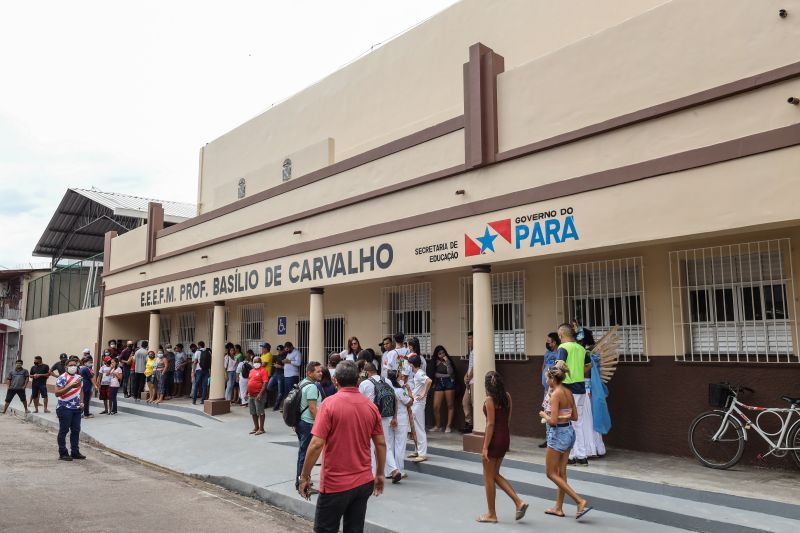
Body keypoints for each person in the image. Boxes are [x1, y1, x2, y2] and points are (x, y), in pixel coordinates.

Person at [298, 360, 386, 533]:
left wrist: (304, 476)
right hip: (363, 482)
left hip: (335, 484)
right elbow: (381, 443)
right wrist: (380, 474)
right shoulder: (371, 407)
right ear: (358, 380)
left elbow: (316, 444)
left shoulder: (329, 404)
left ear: (335, 380)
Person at [538, 362, 592, 519]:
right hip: (569, 432)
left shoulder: (555, 395)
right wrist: (562, 416)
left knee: (550, 473)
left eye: (547, 378)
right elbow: (575, 416)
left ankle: (579, 500)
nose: (546, 380)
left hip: (557, 434)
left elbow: (552, 421)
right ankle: (558, 508)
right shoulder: (568, 392)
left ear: (553, 379)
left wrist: (544, 415)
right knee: (561, 472)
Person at [478, 371, 528, 523]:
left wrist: (485, 447)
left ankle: (492, 514)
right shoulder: (507, 397)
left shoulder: (489, 400)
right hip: (504, 437)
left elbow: (490, 423)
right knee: (494, 474)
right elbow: (507, 419)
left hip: (494, 440)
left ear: (487, 386)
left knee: (488, 477)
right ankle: (518, 502)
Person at [555, 323, 592, 466]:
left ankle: (569, 456)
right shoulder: (582, 349)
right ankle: (581, 456)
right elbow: (589, 366)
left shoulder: (563, 348)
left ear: (561, 335)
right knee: (578, 422)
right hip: (581, 389)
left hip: (567, 390)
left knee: (566, 422)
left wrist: (564, 372)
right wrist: (577, 372)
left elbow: (559, 365)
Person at [295, 361, 322, 492]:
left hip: (301, 422)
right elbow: (312, 408)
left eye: (321, 371)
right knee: (306, 454)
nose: (320, 373)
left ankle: (303, 480)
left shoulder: (302, 383)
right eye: (318, 371)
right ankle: (302, 483)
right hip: (308, 424)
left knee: (304, 452)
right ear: (309, 372)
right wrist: (320, 424)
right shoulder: (311, 387)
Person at [54, 358, 86, 461]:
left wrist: (81, 402)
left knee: (76, 430)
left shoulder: (79, 377)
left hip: (76, 408)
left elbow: (81, 391)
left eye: (75, 365)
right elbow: (57, 393)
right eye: (71, 365)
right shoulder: (62, 378)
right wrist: (71, 386)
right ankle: (63, 453)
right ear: (66, 367)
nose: (73, 367)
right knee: (64, 430)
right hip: (64, 408)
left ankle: (75, 452)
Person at [407, 345, 432, 463]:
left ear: (412, 364)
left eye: (409, 364)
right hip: (415, 403)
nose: (408, 366)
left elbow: (429, 381)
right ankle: (418, 450)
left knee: (419, 428)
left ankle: (422, 453)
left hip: (418, 404)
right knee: (415, 429)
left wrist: (423, 394)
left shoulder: (419, 373)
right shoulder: (417, 374)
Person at [387, 369, 412, 483]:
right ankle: (399, 470)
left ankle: (390, 470)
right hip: (400, 419)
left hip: (389, 419)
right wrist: (409, 391)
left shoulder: (388, 389)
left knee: (390, 445)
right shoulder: (399, 390)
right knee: (400, 446)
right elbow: (409, 402)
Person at [539, 332, 561, 448]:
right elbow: (543, 366)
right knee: (546, 411)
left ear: (555, 342)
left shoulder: (559, 353)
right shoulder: (547, 353)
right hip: (546, 389)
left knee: (554, 412)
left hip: (554, 390)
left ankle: (554, 438)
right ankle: (548, 438)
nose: (547, 342)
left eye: (549, 340)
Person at [430, 345, 456, 433]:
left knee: (450, 405)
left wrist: (447, 362)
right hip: (438, 383)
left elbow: (451, 373)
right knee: (436, 406)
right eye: (439, 353)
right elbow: (434, 374)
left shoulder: (448, 361)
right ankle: (438, 426)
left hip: (449, 382)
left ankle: (448, 426)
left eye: (443, 353)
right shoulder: (435, 362)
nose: (442, 355)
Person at [247, 355, 269, 435]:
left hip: (259, 395)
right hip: (251, 395)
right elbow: (249, 382)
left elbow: (265, 383)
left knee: (260, 412)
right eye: (254, 362)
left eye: (257, 362)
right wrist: (247, 393)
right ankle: (256, 427)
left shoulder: (263, 371)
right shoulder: (251, 371)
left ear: (260, 363)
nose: (256, 363)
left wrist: (260, 394)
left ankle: (261, 428)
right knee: (253, 412)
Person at [281, 341, 302, 408]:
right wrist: (284, 361)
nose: (287, 350)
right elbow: (288, 361)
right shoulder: (289, 353)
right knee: (287, 393)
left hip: (292, 375)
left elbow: (298, 363)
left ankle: (293, 407)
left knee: (292, 393)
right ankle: (287, 407)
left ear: (291, 347)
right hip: (286, 375)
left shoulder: (297, 353)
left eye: (288, 349)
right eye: (285, 349)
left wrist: (289, 361)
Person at [462, 331, 475, 434]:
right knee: (465, 402)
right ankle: (468, 424)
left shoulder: (477, 351)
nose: (469, 341)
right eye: (468, 339)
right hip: (469, 381)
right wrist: (466, 376)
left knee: (474, 403)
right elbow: (470, 367)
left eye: (471, 338)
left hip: (474, 382)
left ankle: (475, 425)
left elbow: (475, 367)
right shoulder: (471, 352)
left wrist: (469, 377)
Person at [268, 344, 285, 410]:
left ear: (283, 350)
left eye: (280, 350)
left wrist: (280, 367)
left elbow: (287, 368)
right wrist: (275, 365)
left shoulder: (286, 357)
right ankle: (279, 389)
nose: (279, 352)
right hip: (275, 373)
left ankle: (276, 406)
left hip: (281, 374)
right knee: (269, 387)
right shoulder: (277, 356)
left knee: (280, 392)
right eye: (278, 350)